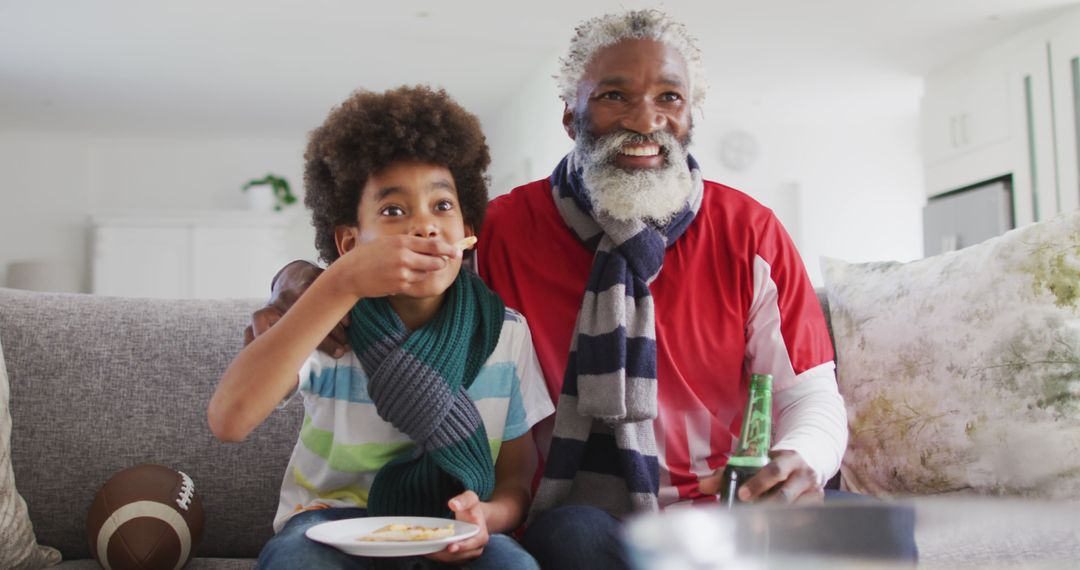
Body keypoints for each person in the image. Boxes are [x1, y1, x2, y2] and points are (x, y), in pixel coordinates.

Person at [249, 10, 915, 569]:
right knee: (572, 538)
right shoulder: (506, 225)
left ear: (691, 116)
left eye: (669, 98)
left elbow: (809, 392)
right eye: (614, 95)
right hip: (566, 507)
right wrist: (300, 282)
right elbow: (408, 268)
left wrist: (799, 461)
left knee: (877, 530)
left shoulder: (750, 232)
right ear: (571, 118)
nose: (645, 120)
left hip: (713, 499)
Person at [210, 85, 552, 570]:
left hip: (447, 528)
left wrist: (487, 518)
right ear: (350, 242)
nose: (425, 226)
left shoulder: (506, 334)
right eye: (394, 211)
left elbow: (516, 478)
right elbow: (229, 421)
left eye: (442, 206)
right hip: (326, 524)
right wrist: (336, 287)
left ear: (467, 233)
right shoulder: (328, 324)